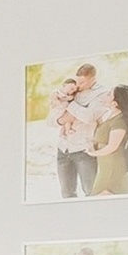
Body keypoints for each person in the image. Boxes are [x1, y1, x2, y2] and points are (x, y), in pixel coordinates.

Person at [49, 67, 99, 197]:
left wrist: (70, 104)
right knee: (66, 193)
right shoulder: (68, 91)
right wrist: (64, 118)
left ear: (93, 79)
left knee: (91, 191)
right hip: (63, 149)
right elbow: (50, 121)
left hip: (83, 149)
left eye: (81, 82)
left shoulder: (100, 94)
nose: (77, 86)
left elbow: (89, 117)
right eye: (77, 82)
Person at [87, 83, 128, 196]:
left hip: (113, 168)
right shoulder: (111, 116)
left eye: (109, 94)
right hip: (105, 167)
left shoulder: (120, 121)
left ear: (115, 103)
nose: (106, 95)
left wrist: (93, 153)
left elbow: (112, 146)